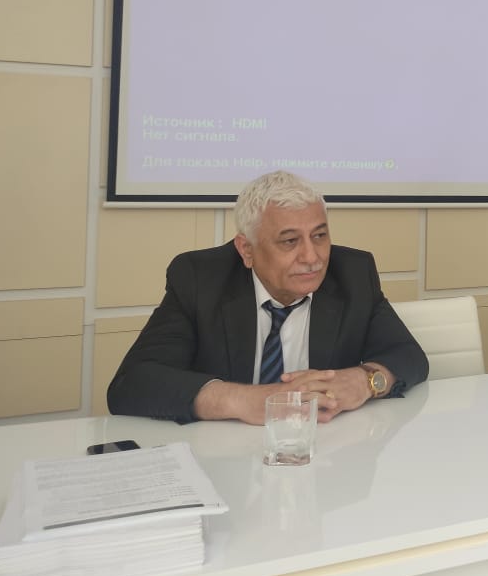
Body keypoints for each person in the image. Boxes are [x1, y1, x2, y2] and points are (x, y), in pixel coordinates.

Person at [108, 171, 429, 424]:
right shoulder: (200, 279)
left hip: (324, 457)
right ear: (246, 250)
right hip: (225, 460)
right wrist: (245, 400)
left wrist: (366, 380)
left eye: (320, 236)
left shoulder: (353, 274)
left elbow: (408, 355)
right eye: (289, 241)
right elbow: (132, 384)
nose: (312, 257)